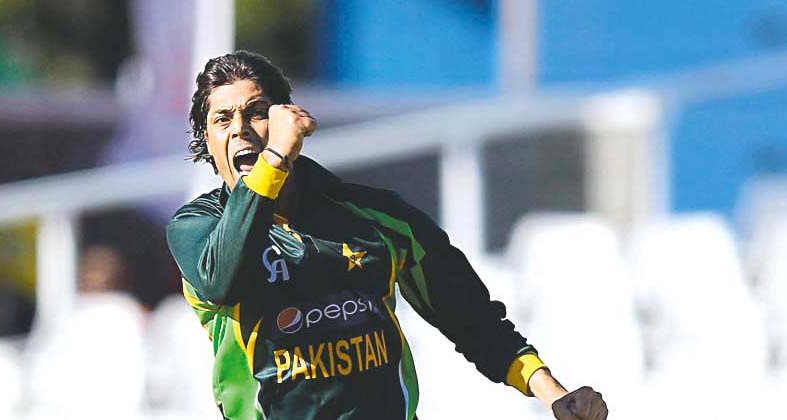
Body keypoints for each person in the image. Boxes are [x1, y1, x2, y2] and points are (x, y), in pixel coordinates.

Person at [166, 50, 608, 420]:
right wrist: (275, 158)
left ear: (288, 120)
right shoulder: (197, 229)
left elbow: (470, 316)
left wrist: (553, 393)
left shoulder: (376, 216)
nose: (240, 129)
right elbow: (224, 280)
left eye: (257, 113)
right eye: (222, 119)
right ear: (207, 139)